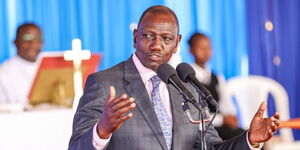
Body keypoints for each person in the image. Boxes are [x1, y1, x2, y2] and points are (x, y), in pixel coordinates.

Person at [69, 5, 280, 150]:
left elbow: (212, 147)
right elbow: (77, 146)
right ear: (135, 37)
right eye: (148, 36)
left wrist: (250, 139)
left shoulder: (186, 87)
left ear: (177, 42)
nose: (156, 45)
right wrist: (101, 131)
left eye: (166, 38)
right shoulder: (104, 82)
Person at [188, 32, 244, 140]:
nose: (206, 52)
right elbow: (193, 114)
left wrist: (231, 116)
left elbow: (226, 103)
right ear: (191, 50)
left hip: (220, 127)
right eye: (201, 48)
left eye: (208, 48)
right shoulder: (187, 77)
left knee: (249, 137)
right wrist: (222, 119)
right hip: (200, 129)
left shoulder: (217, 77)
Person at [0, 23, 43, 105]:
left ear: (42, 42)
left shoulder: (51, 66)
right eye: (26, 38)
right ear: (15, 42)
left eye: (37, 38)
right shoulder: (3, 72)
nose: (32, 43)